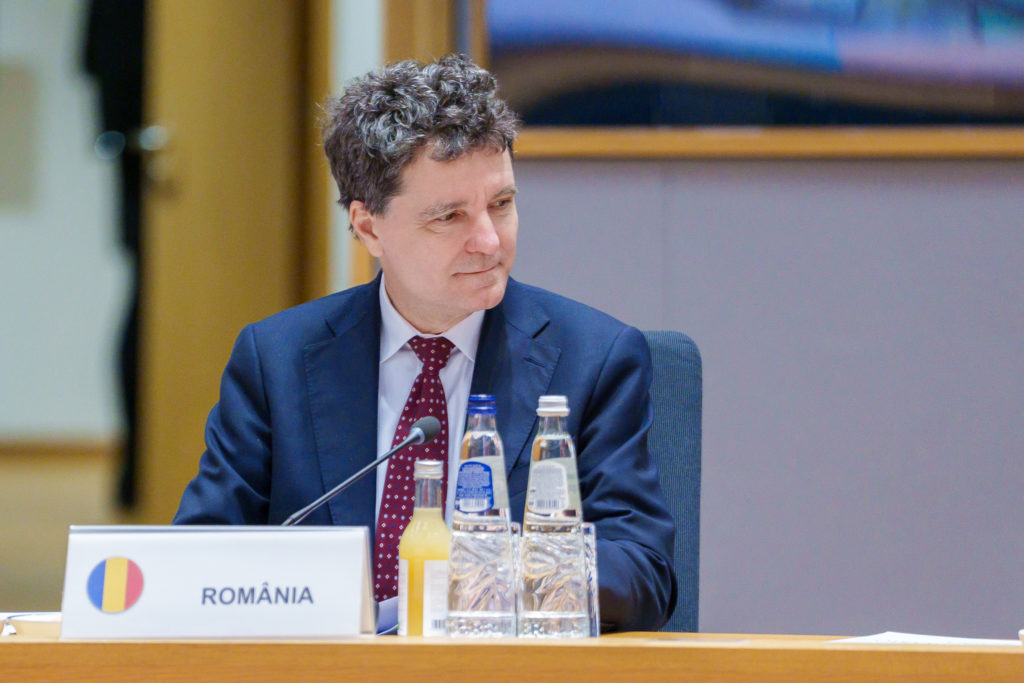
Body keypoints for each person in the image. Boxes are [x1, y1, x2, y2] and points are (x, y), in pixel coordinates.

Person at [174, 54, 676, 632]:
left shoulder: (594, 359)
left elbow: (643, 572)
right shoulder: (276, 361)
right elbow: (198, 557)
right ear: (369, 227)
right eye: (449, 217)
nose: (489, 241)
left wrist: (487, 570)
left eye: (501, 205)